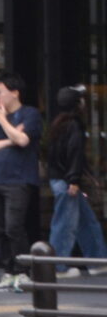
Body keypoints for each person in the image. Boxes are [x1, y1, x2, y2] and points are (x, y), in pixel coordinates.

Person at [0, 73, 43, 289]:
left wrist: (2, 121)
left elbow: (23, 140)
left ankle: (23, 271)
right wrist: (9, 140)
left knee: (14, 227)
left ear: (15, 93)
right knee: (0, 229)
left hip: (19, 180)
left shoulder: (30, 114)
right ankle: (8, 271)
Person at [43, 86, 104, 267]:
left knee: (87, 222)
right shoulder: (75, 125)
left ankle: (98, 261)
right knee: (65, 226)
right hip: (67, 182)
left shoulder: (57, 124)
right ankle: (57, 267)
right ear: (78, 104)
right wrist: (74, 180)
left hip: (60, 179)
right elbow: (75, 153)